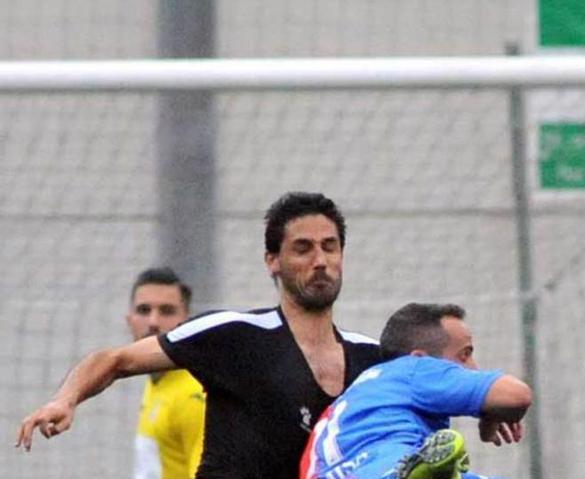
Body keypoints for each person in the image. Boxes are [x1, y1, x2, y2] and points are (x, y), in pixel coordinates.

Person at [17, 192, 383, 479]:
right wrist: (64, 401)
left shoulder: (372, 361)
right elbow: (116, 360)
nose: (320, 260)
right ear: (272, 260)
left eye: (329, 246)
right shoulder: (233, 336)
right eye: (302, 248)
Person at [300, 303, 532, 479]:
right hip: (382, 468)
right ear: (420, 358)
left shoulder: (365, 392)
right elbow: (516, 395)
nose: (474, 368)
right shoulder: (415, 369)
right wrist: (489, 410)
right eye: (465, 354)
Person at [126, 267, 205, 479]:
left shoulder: (193, 395)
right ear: (129, 320)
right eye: (144, 310)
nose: (153, 322)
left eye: (167, 311)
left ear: (187, 322)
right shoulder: (157, 380)